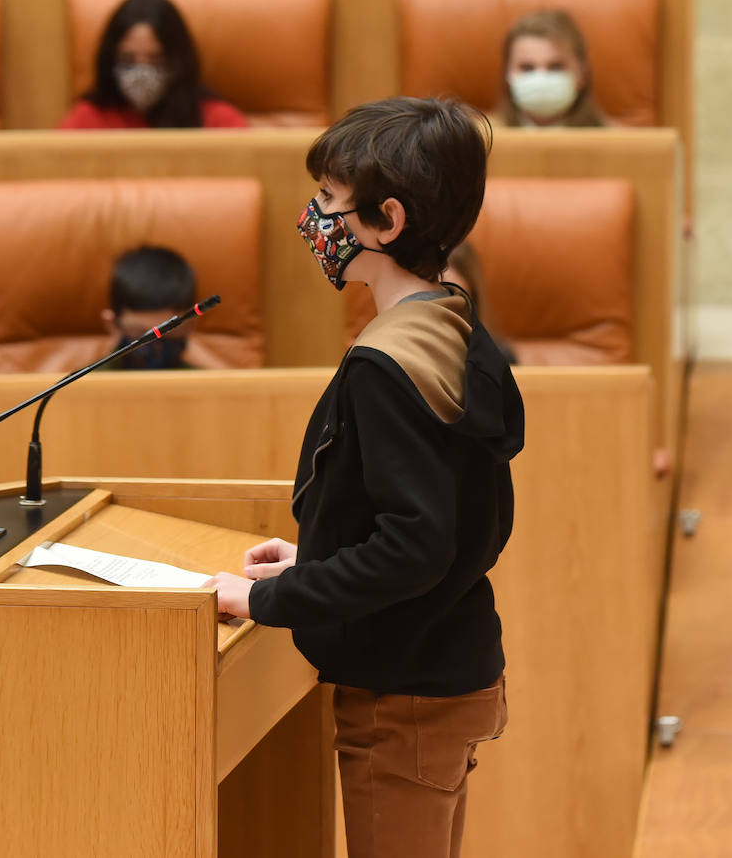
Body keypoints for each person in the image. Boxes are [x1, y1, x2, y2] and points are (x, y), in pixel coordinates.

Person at [205, 97, 524, 858]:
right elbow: (456, 520)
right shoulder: (454, 325)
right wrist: (317, 555)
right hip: (447, 665)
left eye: (326, 202)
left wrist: (264, 596)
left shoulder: (387, 365)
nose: (309, 218)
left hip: (404, 694)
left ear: (385, 221)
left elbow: (414, 544)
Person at [59, 0, 248, 130]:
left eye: (156, 60)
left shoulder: (218, 121)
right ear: (111, 61)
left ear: (177, 62)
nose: (142, 73)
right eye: (128, 61)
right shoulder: (86, 120)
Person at [497, 9, 612, 128]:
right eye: (527, 68)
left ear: (582, 73)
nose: (540, 79)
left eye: (556, 67)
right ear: (507, 73)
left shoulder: (617, 140)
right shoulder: (484, 138)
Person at [102, 245, 196, 370]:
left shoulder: (212, 385)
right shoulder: (81, 385)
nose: (157, 348)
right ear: (113, 325)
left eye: (171, 332)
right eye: (141, 335)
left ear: (190, 325)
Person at [443, 241, 516, 364]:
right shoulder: (409, 351)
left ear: (473, 297)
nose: (441, 307)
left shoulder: (498, 357)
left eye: (453, 296)